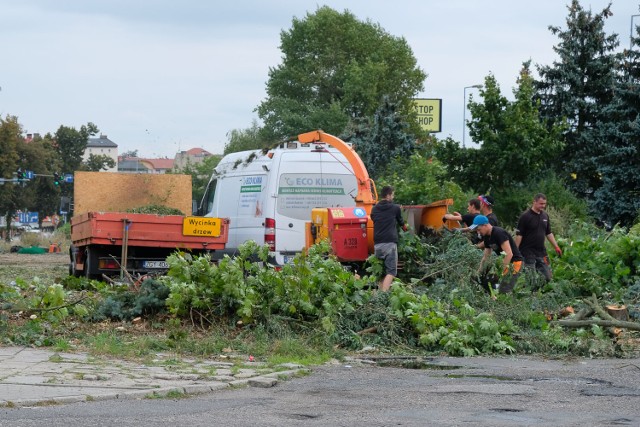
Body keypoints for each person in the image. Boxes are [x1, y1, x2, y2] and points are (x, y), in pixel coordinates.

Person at [470, 215, 524, 294]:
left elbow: (509, 253)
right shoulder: (486, 237)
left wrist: (501, 272)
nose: (478, 232)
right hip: (506, 264)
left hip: (515, 263)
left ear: (485, 225)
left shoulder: (499, 233)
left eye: (479, 229)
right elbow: (486, 257)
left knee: (504, 290)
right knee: (486, 283)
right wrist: (479, 272)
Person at [514, 193, 562, 282]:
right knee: (530, 278)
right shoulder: (525, 216)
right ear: (534, 202)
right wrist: (515, 251)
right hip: (527, 252)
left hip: (541, 252)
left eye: (544, 204)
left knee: (548, 277)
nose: (543, 206)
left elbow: (549, 233)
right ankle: (532, 294)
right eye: (541, 203)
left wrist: (556, 246)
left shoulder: (545, 216)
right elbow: (519, 235)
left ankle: (541, 291)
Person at [370, 185, 406, 291]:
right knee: (391, 271)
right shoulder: (395, 208)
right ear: (388, 195)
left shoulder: (374, 209)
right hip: (390, 244)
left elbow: (374, 218)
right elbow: (402, 224)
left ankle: (378, 293)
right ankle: (383, 296)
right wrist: (406, 229)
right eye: (393, 195)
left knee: (382, 272)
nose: (393, 197)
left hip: (377, 244)